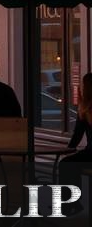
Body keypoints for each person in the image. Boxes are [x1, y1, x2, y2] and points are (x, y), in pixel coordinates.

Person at [60, 73, 92, 213]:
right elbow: (77, 135)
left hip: (90, 153)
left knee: (66, 164)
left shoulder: (84, 109)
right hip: (90, 152)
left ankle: (69, 205)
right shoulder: (84, 109)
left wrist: (68, 150)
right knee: (70, 164)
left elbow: (77, 135)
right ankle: (71, 204)